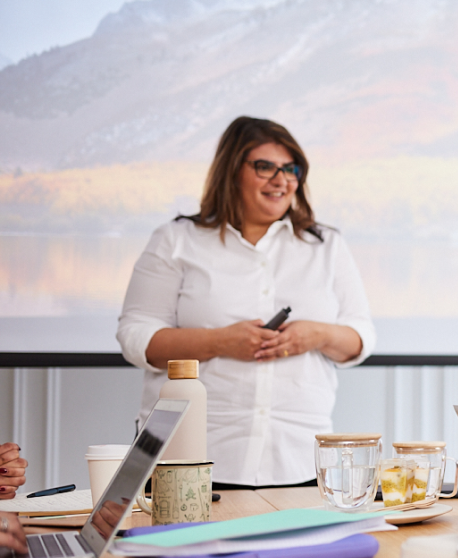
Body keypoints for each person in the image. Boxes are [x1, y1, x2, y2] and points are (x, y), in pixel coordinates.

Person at [117, 116, 376, 489]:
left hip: (300, 461)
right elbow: (135, 338)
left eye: (291, 169)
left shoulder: (327, 246)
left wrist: (317, 335)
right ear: (231, 171)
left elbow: (361, 337)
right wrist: (221, 342)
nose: (281, 180)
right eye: (265, 167)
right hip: (186, 461)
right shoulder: (175, 240)